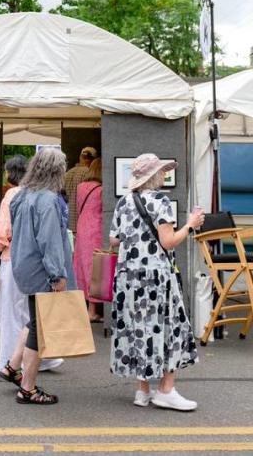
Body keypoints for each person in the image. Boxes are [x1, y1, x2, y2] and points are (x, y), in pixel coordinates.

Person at [109, 154, 203, 411]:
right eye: (162, 172)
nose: (164, 175)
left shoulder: (124, 202)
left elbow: (114, 240)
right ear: (153, 176)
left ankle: (143, 390)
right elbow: (169, 242)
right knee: (170, 328)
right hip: (156, 277)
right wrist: (191, 225)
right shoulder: (161, 201)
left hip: (128, 278)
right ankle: (166, 389)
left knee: (139, 329)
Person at [0, 148, 74, 405]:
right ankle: (27, 388)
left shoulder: (22, 196)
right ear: (56, 171)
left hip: (22, 266)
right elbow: (50, 241)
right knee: (40, 330)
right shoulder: (48, 200)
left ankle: (12, 365)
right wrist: (57, 275)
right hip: (42, 271)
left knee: (34, 320)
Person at [0, 155, 63, 377]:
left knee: (10, 314)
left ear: (11, 173)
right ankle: (44, 358)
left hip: (12, 261)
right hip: (38, 266)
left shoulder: (13, 195)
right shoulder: (40, 195)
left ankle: (8, 362)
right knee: (34, 315)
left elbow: (2, 231)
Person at [73, 159, 104, 322]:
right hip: (96, 230)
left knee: (83, 268)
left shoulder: (81, 187)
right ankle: (93, 310)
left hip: (82, 229)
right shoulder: (101, 190)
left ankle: (86, 308)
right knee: (97, 269)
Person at [63, 146, 97, 232]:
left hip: (68, 222)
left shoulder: (68, 173)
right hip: (82, 223)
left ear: (80, 157)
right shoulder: (89, 174)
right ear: (93, 160)